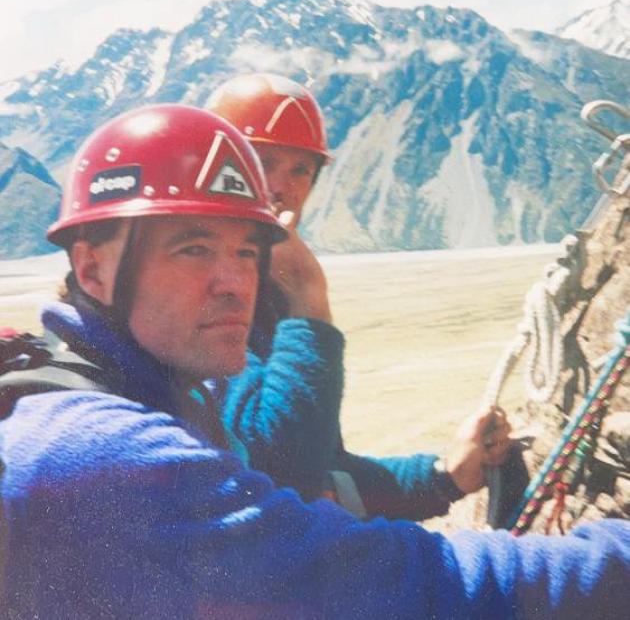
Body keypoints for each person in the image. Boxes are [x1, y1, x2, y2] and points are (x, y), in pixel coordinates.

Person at [0, 103, 628, 619]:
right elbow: (385, 582)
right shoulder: (95, 449)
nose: (234, 282)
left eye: (248, 252)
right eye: (193, 249)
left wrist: (440, 478)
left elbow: (298, 486)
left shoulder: (165, 384)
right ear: (93, 268)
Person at [209, 72, 511, 519]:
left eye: (300, 170)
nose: (282, 187)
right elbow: (291, 468)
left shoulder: (266, 297)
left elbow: (330, 472)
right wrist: (309, 296)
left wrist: (446, 476)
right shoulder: (206, 296)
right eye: (262, 162)